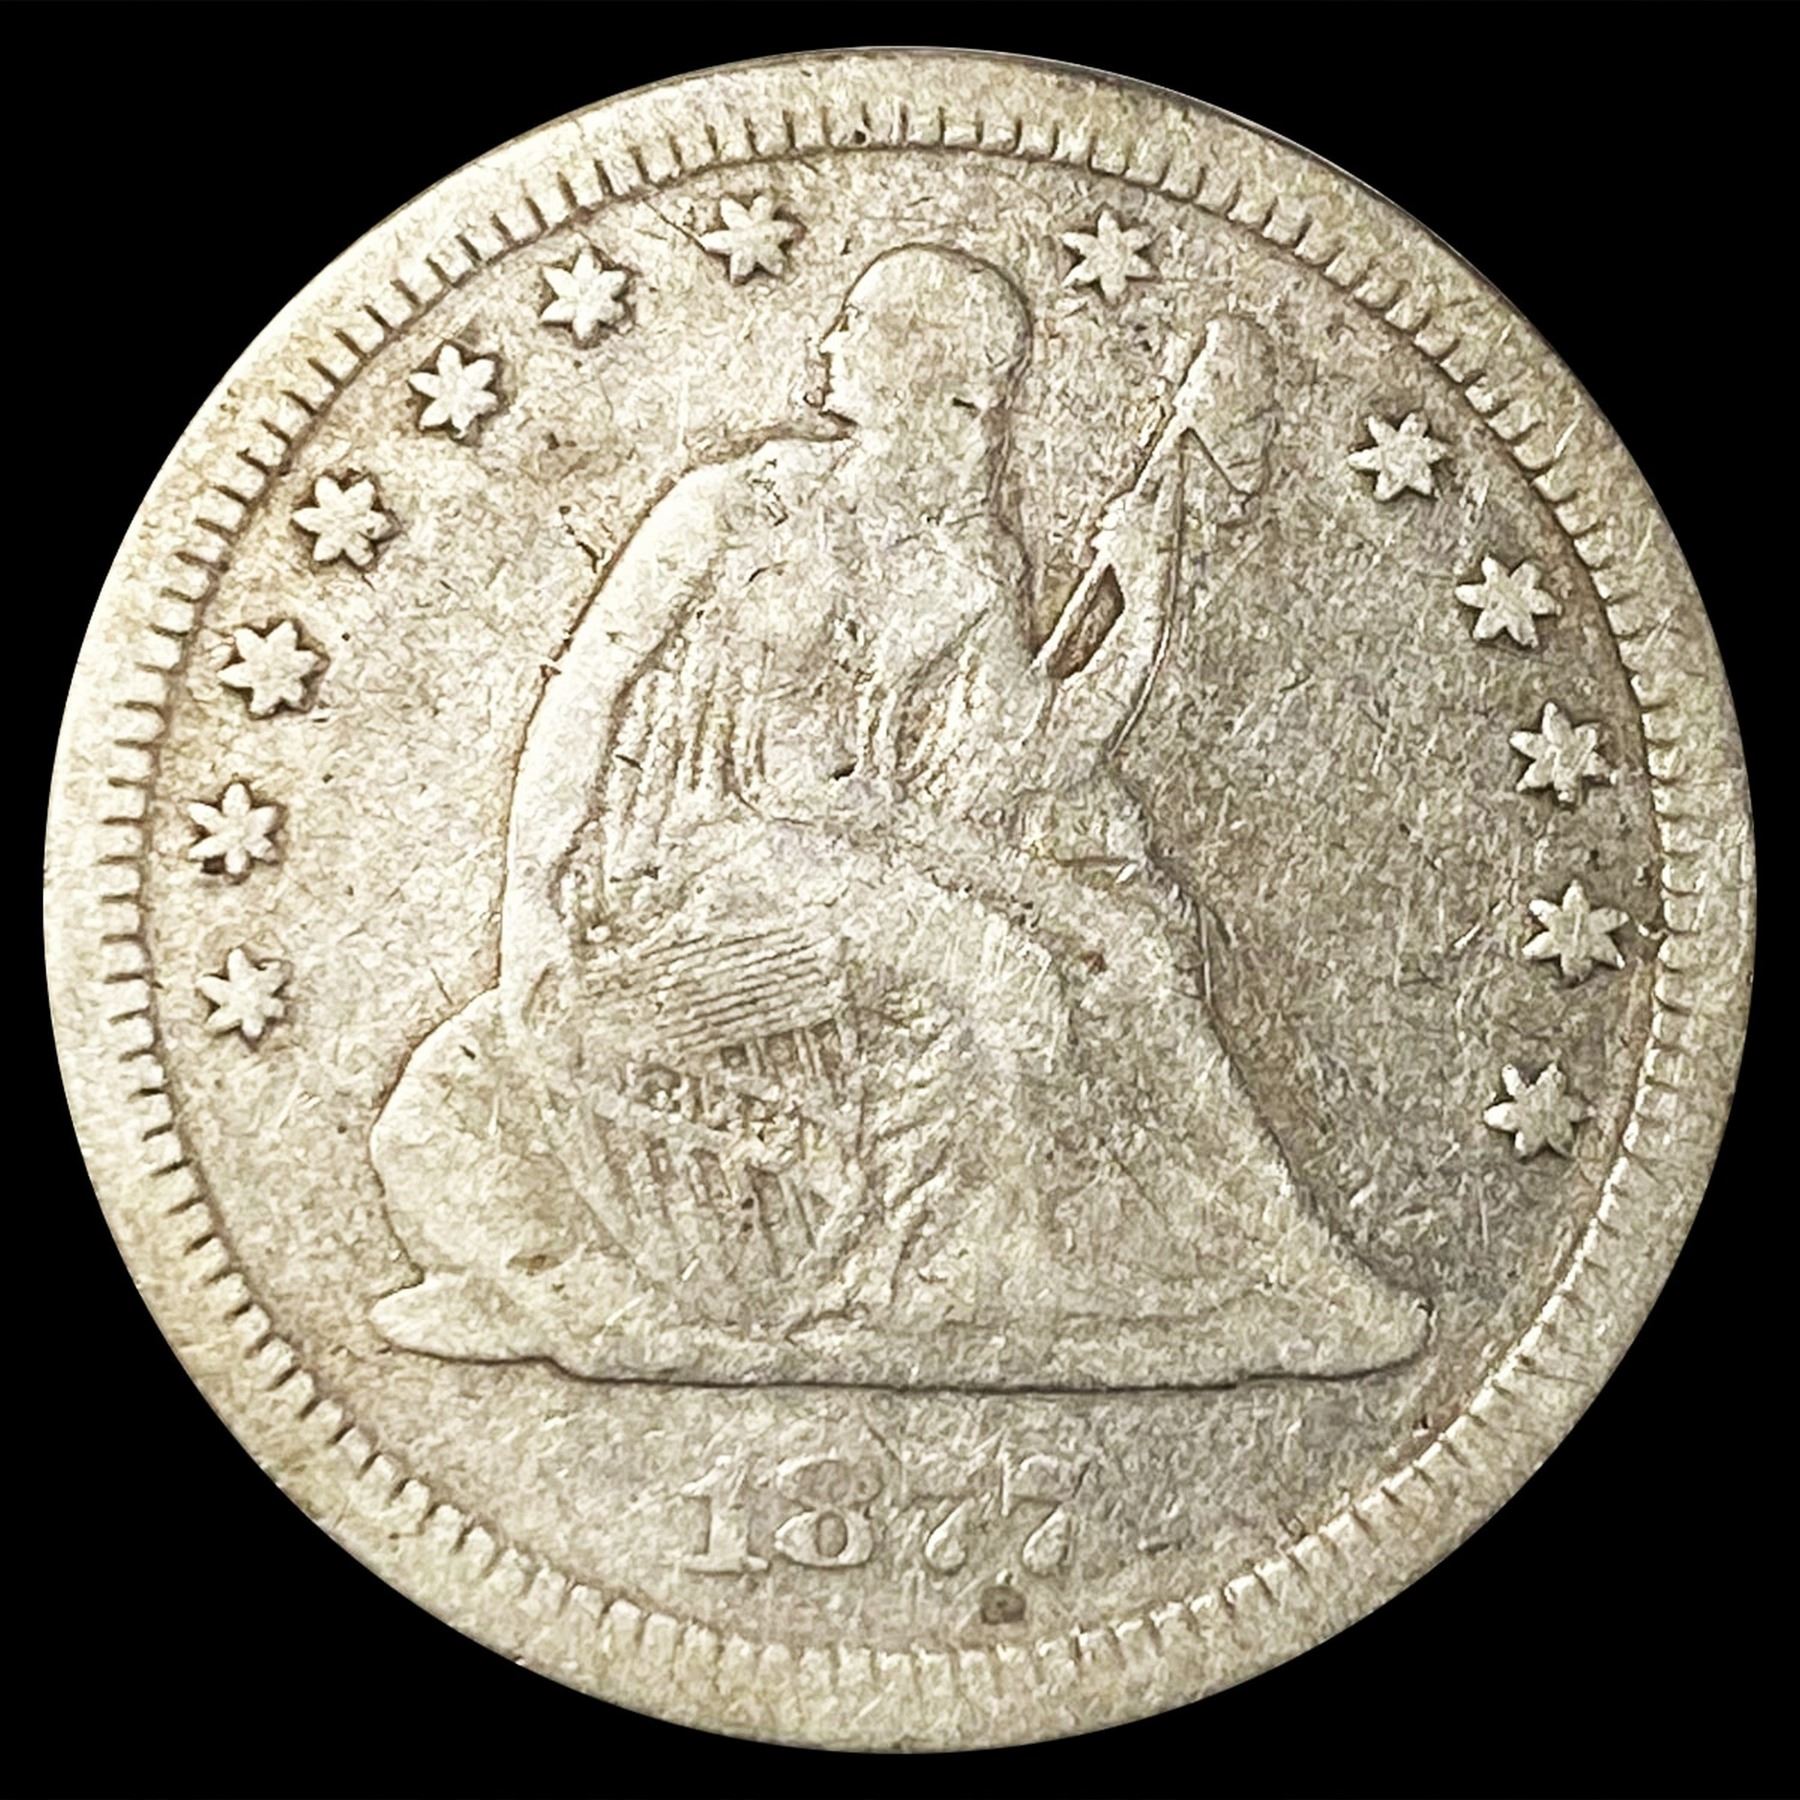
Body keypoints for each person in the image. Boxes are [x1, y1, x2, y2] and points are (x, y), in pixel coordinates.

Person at [371, 244, 1428, 1387]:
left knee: (1130, 952)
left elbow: (1033, 755)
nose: (830, 342)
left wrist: (1142, 592)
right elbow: (588, 700)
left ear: (937, 378)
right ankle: (956, 1290)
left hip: (850, 845)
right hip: (714, 860)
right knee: (1010, 976)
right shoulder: (739, 509)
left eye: (860, 323)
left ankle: (1294, 1271)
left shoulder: (971, 556)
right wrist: (531, 915)